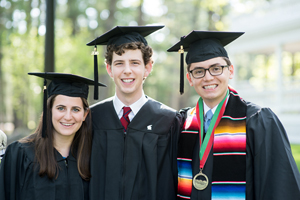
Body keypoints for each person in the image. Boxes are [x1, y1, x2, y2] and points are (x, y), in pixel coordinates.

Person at [167, 31, 300, 199]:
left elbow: (279, 186)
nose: (208, 77)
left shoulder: (257, 121)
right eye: (199, 71)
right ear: (190, 78)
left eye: (216, 69)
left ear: (230, 71)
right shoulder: (182, 124)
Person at [86, 25, 182, 200]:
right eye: (119, 63)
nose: (127, 70)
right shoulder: (92, 118)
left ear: (148, 67)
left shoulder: (168, 121)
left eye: (135, 63)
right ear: (109, 69)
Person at [0, 72, 106, 200]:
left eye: (76, 109)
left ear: (85, 114)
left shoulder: (91, 159)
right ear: (49, 110)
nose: (68, 116)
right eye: (61, 108)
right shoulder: (21, 154)